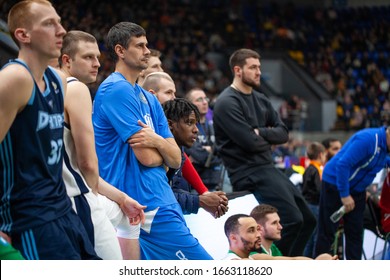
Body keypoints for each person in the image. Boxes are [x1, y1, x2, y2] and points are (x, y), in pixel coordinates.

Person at [92, 22, 213, 260]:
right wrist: (164, 149)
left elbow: (176, 158)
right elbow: (148, 158)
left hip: (161, 199)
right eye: (140, 45)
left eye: (147, 45)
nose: (147, 51)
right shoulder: (117, 90)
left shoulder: (148, 98)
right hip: (145, 205)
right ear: (120, 51)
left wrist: (156, 140)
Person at [0, 0, 99, 259]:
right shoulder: (14, 78)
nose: (61, 30)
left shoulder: (57, 81)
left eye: (59, 21)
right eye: (49, 24)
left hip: (65, 210)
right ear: (23, 35)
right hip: (30, 218)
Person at [213, 48, 316, 256]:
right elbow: (250, 143)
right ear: (238, 70)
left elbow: (284, 133)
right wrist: (266, 139)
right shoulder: (227, 102)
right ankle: (268, 263)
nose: (259, 72)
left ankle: (287, 264)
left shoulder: (261, 99)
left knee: (309, 220)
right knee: (292, 220)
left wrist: (260, 132)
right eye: (253, 67)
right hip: (248, 171)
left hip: (267, 167)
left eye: (259, 67)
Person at [59, 30, 146, 259]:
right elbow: (87, 163)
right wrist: (92, 201)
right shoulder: (75, 88)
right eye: (88, 57)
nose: (97, 64)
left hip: (58, 193)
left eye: (97, 57)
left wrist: (121, 198)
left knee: (128, 216)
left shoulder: (44, 87)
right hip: (76, 197)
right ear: (67, 60)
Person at [141, 72, 228, 217]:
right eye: (169, 93)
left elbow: (179, 166)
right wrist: (199, 200)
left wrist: (203, 194)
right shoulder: (146, 131)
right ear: (152, 95)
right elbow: (157, 192)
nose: (174, 98)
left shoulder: (169, 134)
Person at [315, 126, 390, 259]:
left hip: (357, 190)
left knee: (355, 233)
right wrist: (344, 195)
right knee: (327, 232)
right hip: (335, 183)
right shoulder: (368, 139)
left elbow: (381, 160)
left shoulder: (385, 148)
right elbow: (343, 164)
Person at [162, 98, 228, 217]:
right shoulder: (155, 152)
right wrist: (199, 200)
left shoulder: (178, 148)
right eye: (189, 123)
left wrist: (204, 197)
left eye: (196, 124)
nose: (196, 130)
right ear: (170, 124)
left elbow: (173, 189)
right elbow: (158, 196)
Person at [223, 213, 336, 260]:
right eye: (251, 231)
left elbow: (293, 260)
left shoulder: (255, 257)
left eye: (257, 229)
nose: (258, 235)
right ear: (233, 238)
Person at [185, 87, 224, 191]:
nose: (205, 102)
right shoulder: (186, 127)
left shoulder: (213, 125)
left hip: (215, 182)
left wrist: (210, 151)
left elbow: (222, 151)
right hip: (194, 185)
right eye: (199, 100)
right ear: (189, 104)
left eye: (205, 99)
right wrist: (212, 152)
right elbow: (199, 156)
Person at [301, 142, 326, 258]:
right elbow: (319, 190)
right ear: (321, 155)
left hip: (309, 205)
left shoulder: (309, 168)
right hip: (314, 205)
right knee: (315, 236)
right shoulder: (315, 170)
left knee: (310, 236)